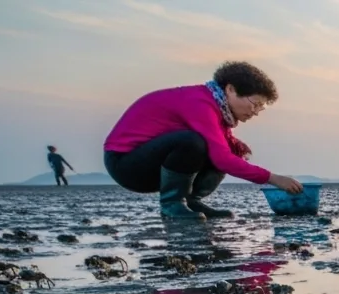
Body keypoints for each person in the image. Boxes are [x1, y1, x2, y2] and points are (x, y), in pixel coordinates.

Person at [103, 61, 300, 219]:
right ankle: (173, 205)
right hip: (126, 164)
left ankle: (190, 201)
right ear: (230, 89)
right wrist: (274, 178)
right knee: (192, 142)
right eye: (254, 104)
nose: (256, 112)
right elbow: (222, 159)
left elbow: (223, 153)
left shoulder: (219, 110)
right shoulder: (200, 103)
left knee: (229, 147)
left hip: (154, 163)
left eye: (260, 108)